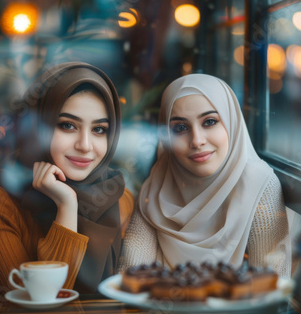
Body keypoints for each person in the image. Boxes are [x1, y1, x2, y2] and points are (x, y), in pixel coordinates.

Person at [0, 62, 134, 300]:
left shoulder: (119, 198)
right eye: (67, 125)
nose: (85, 145)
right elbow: (44, 300)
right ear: (38, 129)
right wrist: (66, 206)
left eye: (99, 129)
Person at [119, 73, 291, 278]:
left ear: (231, 122)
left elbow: (272, 287)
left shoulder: (258, 184)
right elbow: (129, 276)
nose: (197, 140)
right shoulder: (158, 185)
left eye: (209, 122)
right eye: (181, 128)